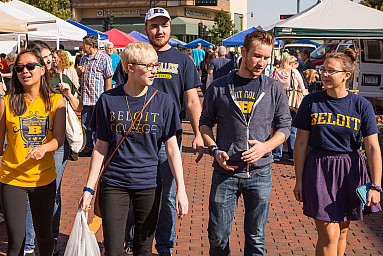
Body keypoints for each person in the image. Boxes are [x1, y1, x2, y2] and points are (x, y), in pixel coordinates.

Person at [79, 41, 189, 256]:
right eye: (148, 66)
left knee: (143, 249)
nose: (153, 71)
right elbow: (100, 147)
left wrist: (181, 190)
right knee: (113, 249)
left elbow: (172, 149)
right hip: (114, 183)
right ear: (130, 67)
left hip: (149, 183)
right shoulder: (108, 100)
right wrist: (89, 189)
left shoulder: (164, 102)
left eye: (155, 65)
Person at [113, 7, 204, 255]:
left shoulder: (182, 60)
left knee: (165, 196)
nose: (159, 30)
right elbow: (118, 95)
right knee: (131, 192)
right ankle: (131, 242)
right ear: (146, 29)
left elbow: (192, 100)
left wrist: (197, 133)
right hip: (133, 138)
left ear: (170, 28)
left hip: (167, 139)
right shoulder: (132, 57)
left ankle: (164, 246)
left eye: (164, 25)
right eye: (154, 26)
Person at [199, 29, 291, 255]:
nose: (262, 63)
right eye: (257, 56)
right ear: (243, 52)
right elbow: (205, 123)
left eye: (267, 58)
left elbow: (284, 127)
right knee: (218, 237)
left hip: (260, 174)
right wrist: (214, 149)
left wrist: (266, 147)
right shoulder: (219, 87)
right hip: (225, 172)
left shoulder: (273, 88)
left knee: (256, 239)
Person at [293, 51, 382, 256]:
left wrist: (375, 185)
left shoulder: (361, 105)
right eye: (323, 70)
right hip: (319, 168)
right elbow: (300, 143)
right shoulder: (311, 101)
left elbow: (372, 147)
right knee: (328, 234)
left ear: (346, 75)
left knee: (342, 231)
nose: (324, 74)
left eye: (331, 71)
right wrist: (299, 179)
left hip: (351, 170)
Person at [0, 49, 65, 256]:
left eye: (30, 66)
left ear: (43, 69)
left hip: (43, 178)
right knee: (16, 241)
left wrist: (44, 148)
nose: (24, 72)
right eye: (19, 68)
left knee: (44, 236)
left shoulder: (56, 101)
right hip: (12, 178)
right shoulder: (6, 102)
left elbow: (59, 139)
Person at [77, 35, 113, 157]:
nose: (82, 47)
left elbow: (108, 77)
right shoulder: (83, 59)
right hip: (86, 98)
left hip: (98, 98)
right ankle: (88, 147)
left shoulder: (103, 58)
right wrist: (79, 72)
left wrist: (107, 96)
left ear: (90, 45)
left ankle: (100, 148)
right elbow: (79, 77)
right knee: (85, 124)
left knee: (99, 126)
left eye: (84, 45)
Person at [271, 54, 308, 162]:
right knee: (292, 129)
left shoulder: (276, 72)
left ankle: (277, 154)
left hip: (278, 102)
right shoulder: (294, 72)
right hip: (292, 104)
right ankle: (292, 154)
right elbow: (302, 88)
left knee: (277, 127)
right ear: (292, 63)